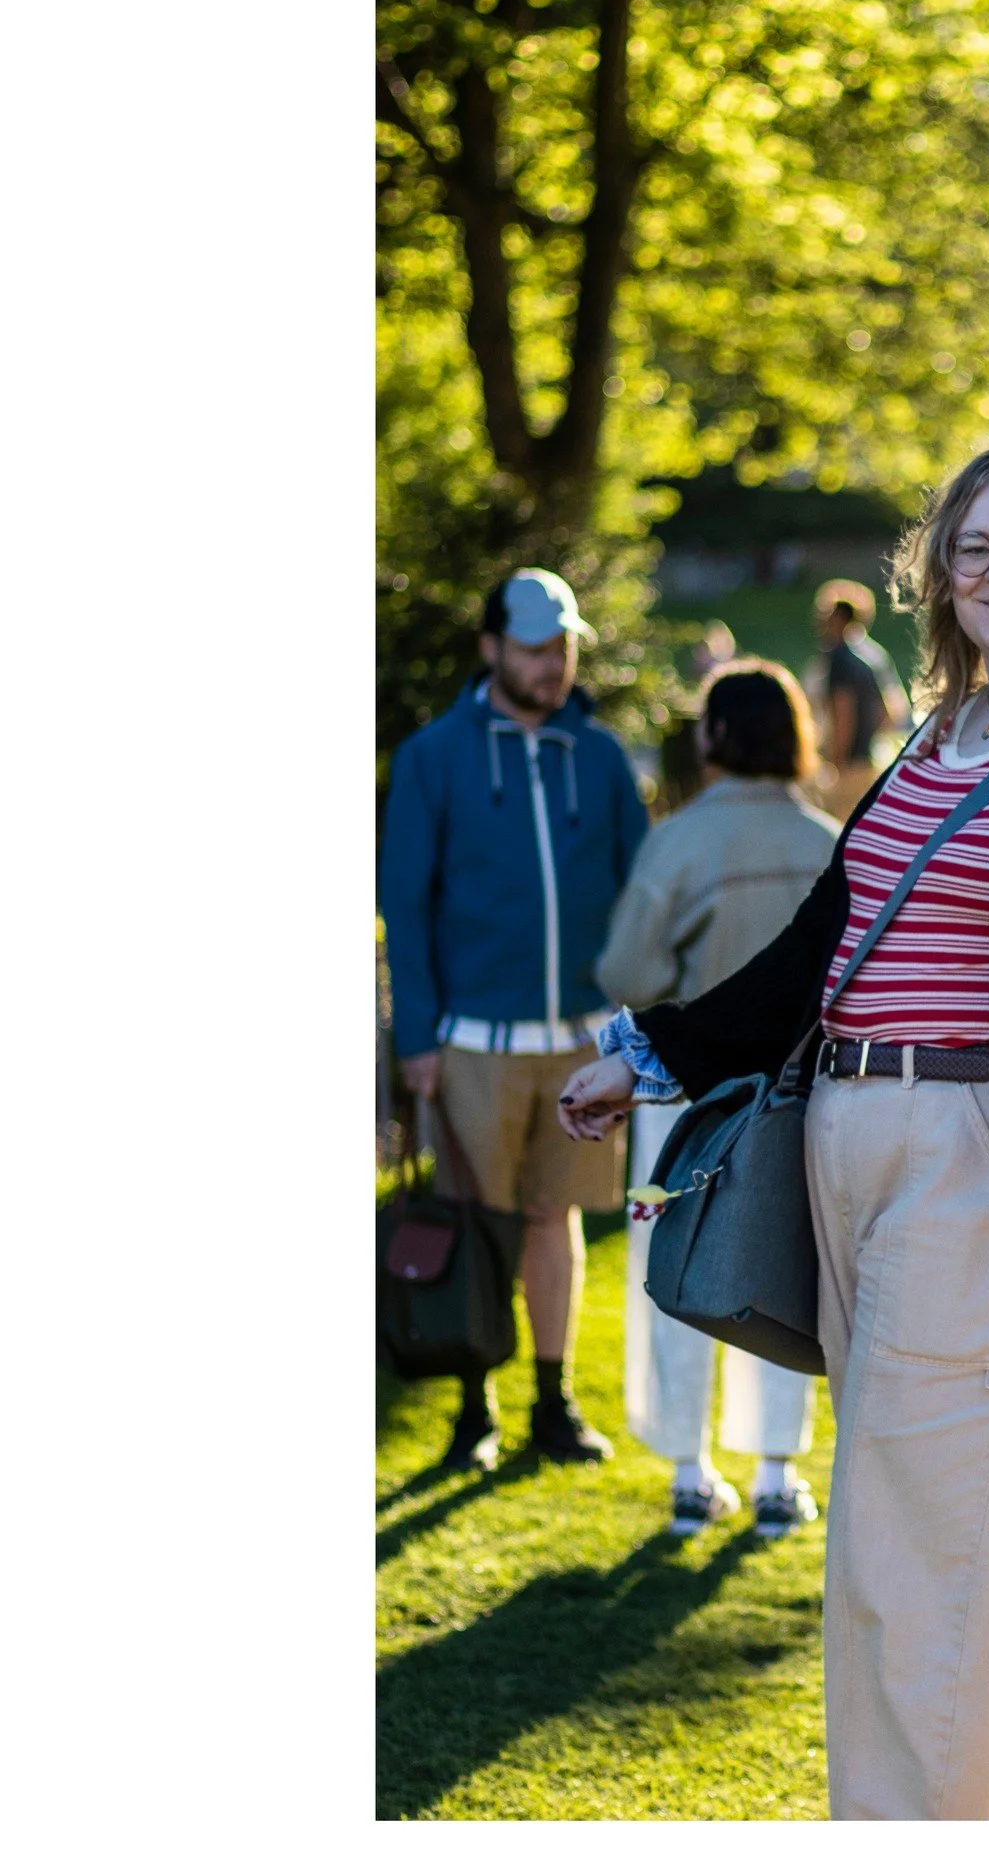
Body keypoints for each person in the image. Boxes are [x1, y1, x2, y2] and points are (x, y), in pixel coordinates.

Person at [559, 437, 989, 1821]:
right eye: (973, 548)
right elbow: (827, 945)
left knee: (908, 1551)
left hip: (988, 1159)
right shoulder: (944, 733)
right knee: (973, 1535)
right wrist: (649, 1051)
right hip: (848, 1145)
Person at [380, 567, 649, 1471]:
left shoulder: (602, 757)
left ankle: (552, 1399)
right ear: (492, 648)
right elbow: (404, 907)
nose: (552, 665)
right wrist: (415, 1037)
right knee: (476, 1218)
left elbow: (636, 895)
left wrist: (635, 1024)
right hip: (470, 1045)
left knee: (552, 1218)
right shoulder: (433, 759)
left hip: (581, 1045)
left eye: (563, 647)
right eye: (535, 649)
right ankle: (473, 1404)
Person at [594, 660, 838, 1539]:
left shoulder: (677, 843)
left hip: (681, 1103)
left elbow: (626, 972)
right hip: (794, 1103)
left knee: (672, 1272)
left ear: (711, 736)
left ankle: (689, 1471)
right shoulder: (829, 841)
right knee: (780, 1276)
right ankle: (776, 1475)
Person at [809, 578, 909, 820]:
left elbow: (842, 712)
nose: (820, 624)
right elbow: (891, 712)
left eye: (825, 617)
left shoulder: (840, 658)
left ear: (839, 618)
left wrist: (837, 761)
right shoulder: (874, 656)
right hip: (869, 762)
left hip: (846, 766)